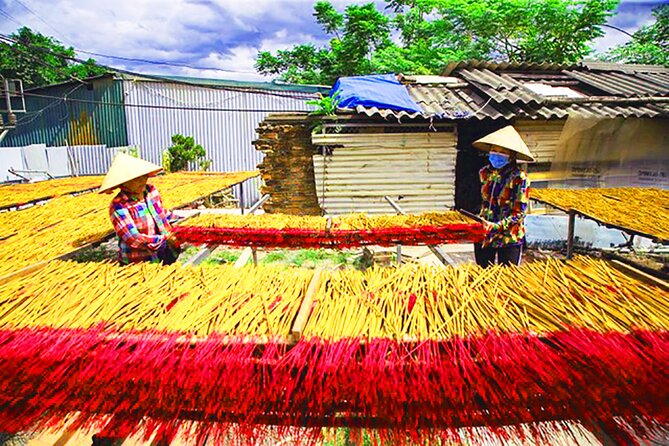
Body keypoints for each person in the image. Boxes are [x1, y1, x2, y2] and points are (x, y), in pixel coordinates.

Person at [99, 153, 181, 265]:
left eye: (144, 176)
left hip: (165, 253)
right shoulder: (118, 206)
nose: (142, 181)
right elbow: (133, 238)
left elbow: (161, 214)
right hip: (138, 262)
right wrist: (165, 239)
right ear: (123, 183)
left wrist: (183, 222)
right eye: (136, 179)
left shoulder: (151, 191)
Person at [472, 126, 534, 267]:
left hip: (509, 237)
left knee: (507, 278)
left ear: (511, 156)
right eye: (494, 150)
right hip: (485, 234)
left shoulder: (520, 178)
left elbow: (519, 213)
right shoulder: (484, 173)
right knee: (482, 274)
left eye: (502, 152)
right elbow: (481, 202)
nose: (496, 154)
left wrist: (497, 226)